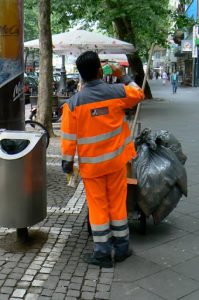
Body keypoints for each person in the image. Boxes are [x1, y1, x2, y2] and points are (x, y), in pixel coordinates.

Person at [60, 51, 144, 268]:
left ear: (80, 75)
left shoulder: (72, 104)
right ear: (100, 70)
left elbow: (68, 138)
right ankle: (122, 248)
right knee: (117, 204)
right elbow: (138, 93)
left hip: (92, 167)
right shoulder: (117, 92)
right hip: (116, 163)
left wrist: (67, 163)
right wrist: (122, 75)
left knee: (98, 206)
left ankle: (103, 254)